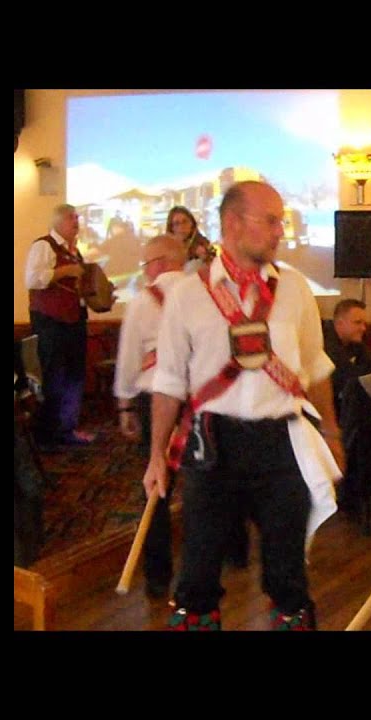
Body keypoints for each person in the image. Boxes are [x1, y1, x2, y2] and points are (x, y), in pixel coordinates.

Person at [143, 181, 344, 631]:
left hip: (283, 441)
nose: (280, 231)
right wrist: (157, 453)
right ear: (232, 223)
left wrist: (330, 433)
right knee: (197, 571)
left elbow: (316, 367)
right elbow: (170, 381)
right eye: (271, 220)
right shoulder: (187, 295)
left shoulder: (295, 290)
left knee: (289, 573)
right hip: (213, 443)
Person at [115, 235, 247, 598]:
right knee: (213, 476)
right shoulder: (207, 293)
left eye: (145, 265)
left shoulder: (143, 301)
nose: (145, 273)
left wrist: (125, 404)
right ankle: (232, 552)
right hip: (205, 399)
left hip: (157, 398)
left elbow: (128, 360)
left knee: (157, 481)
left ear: (158, 262)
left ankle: (158, 575)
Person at [24, 204, 96, 447]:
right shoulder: (44, 245)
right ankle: (48, 435)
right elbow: (32, 279)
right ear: (57, 222)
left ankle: (67, 430)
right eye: (71, 218)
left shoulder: (75, 252)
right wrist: (65, 270)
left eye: (77, 217)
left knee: (74, 377)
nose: (76, 222)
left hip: (75, 320)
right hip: (51, 323)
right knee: (54, 377)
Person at [323, 298, 371, 417]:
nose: (363, 328)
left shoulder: (355, 343)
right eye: (358, 322)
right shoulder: (326, 344)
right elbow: (348, 376)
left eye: (364, 323)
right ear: (339, 323)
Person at [167, 205, 216, 274]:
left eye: (185, 222)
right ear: (171, 228)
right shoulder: (167, 250)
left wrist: (205, 258)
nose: (181, 227)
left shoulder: (203, 245)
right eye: (177, 223)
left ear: (192, 224)